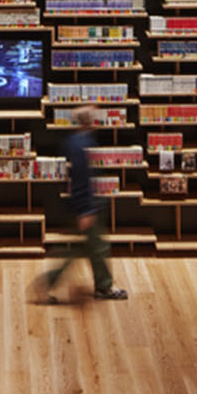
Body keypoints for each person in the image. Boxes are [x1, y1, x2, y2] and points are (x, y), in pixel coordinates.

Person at [31, 107, 127, 302]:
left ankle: (102, 285)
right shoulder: (81, 144)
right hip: (86, 206)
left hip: (83, 204)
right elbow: (81, 179)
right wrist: (86, 210)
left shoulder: (73, 141)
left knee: (89, 247)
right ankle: (101, 287)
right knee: (93, 248)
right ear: (89, 122)